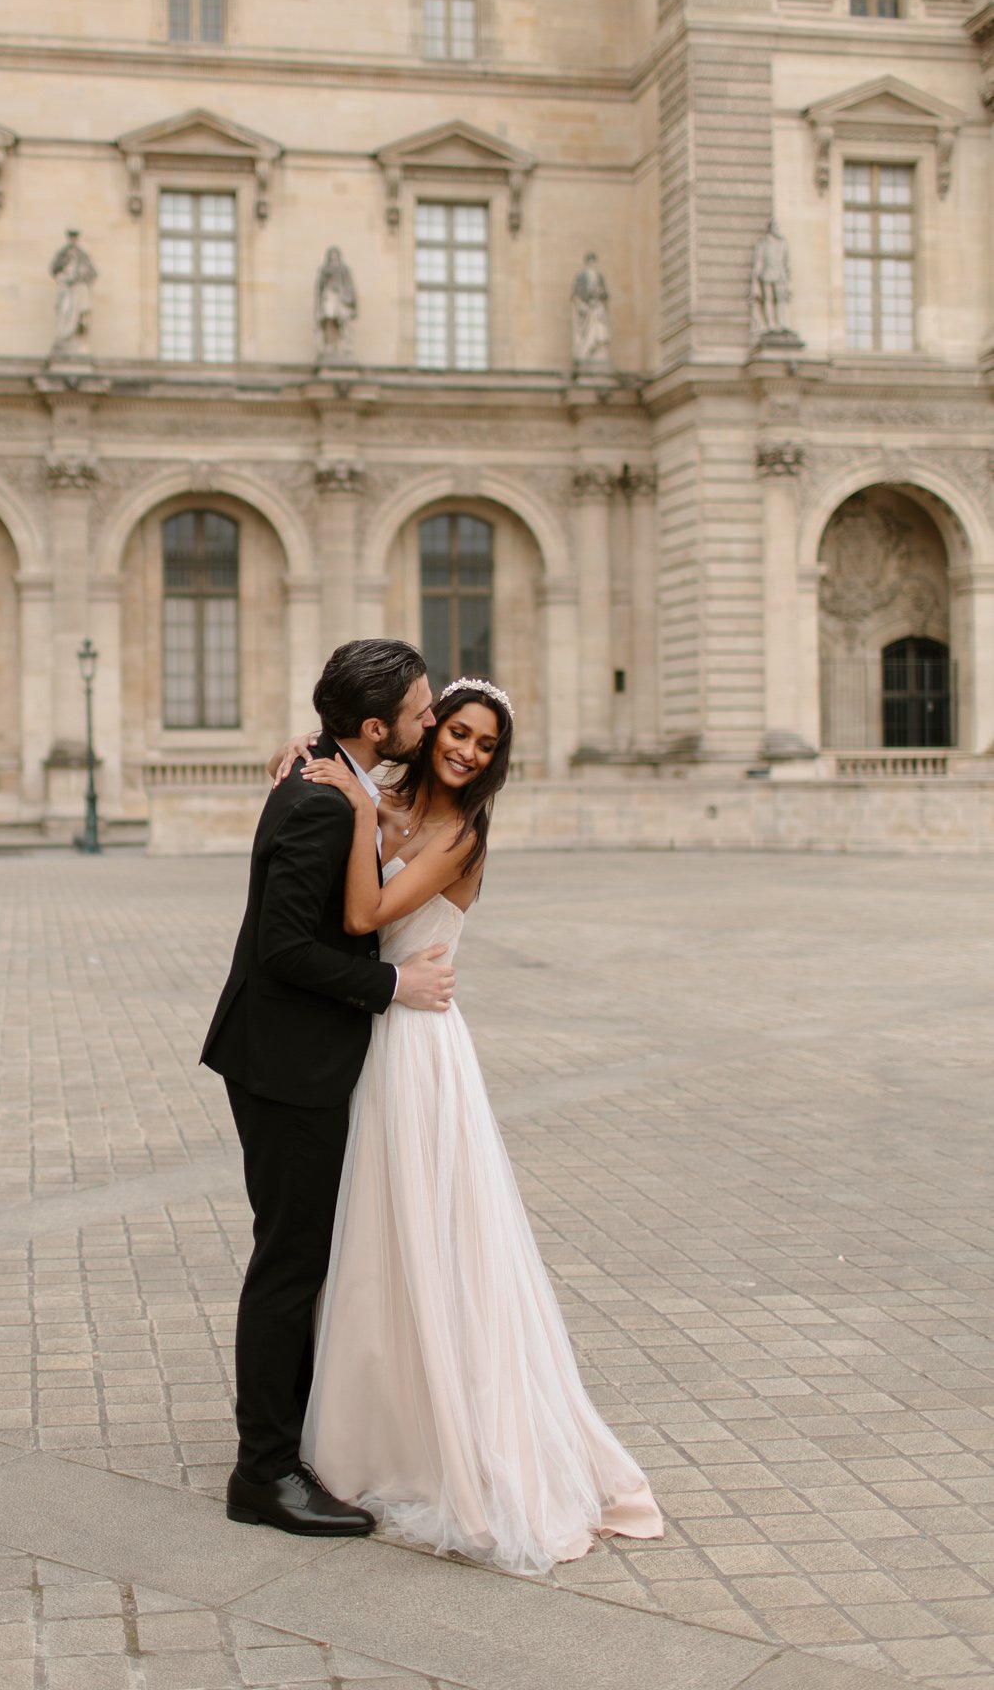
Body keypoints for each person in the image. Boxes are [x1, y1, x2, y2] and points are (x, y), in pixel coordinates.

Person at [273, 677, 664, 1575]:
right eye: (457, 732)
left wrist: (352, 800)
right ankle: (377, 1423)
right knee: (374, 1238)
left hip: (418, 1045)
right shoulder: (394, 796)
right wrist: (324, 762)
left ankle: (439, 1432)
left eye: (486, 744)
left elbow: (365, 914)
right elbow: (349, 787)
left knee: (430, 1232)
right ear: (429, 728)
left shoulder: (459, 833)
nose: (468, 752)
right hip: (374, 1032)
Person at [200, 638, 457, 1537]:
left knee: (301, 1258)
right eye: (421, 712)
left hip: (294, 1056)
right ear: (375, 725)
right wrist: (393, 986)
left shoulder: (329, 775)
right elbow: (284, 948)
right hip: (285, 1064)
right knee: (290, 1264)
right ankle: (263, 1473)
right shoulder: (317, 800)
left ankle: (289, 1440)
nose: (431, 724)